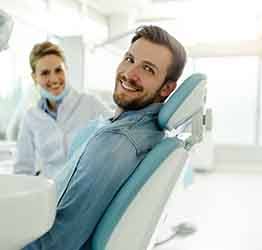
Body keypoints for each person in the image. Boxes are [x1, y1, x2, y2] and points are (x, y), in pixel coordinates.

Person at [23, 25, 187, 250]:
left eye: (147, 69)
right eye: (129, 59)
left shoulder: (117, 142)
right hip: (44, 204)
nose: (130, 74)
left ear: (167, 88)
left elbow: (59, 241)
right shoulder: (126, 128)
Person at [14, 41, 111, 178]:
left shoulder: (90, 104)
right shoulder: (31, 117)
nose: (53, 78)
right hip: (49, 192)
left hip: (85, 184)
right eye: (45, 73)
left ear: (66, 69)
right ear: (34, 77)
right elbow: (22, 169)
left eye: (58, 70)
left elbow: (117, 133)